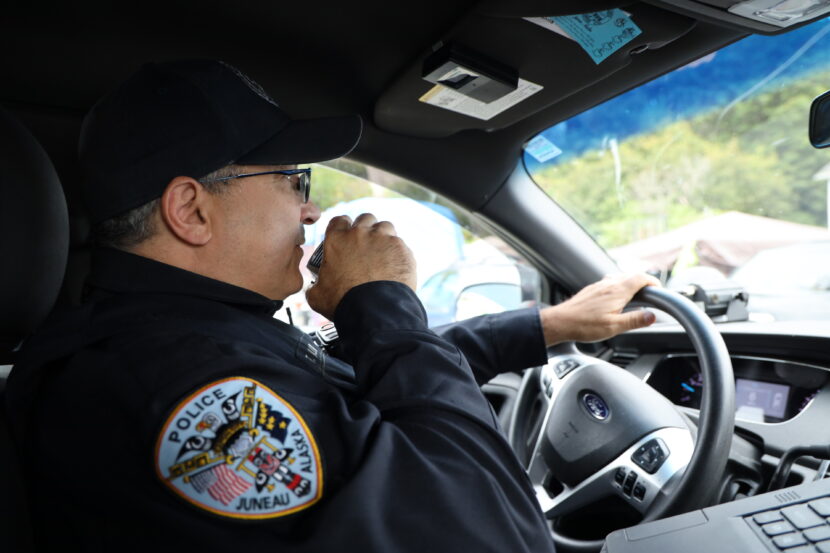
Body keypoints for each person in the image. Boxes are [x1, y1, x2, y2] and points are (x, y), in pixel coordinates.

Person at [5, 60, 658, 552]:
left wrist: (545, 324)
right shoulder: (186, 388)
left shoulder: (177, 339)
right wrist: (381, 300)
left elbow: (342, 377)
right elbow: (496, 533)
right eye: (293, 180)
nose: (311, 208)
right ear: (192, 211)